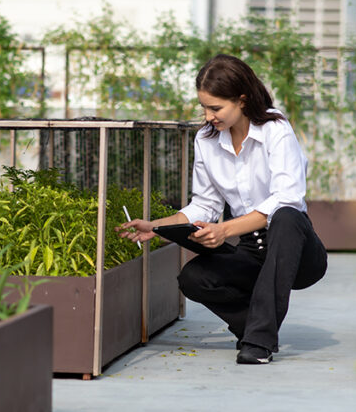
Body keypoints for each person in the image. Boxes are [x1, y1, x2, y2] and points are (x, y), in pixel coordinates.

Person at [119, 53, 327, 364]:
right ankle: (256, 328)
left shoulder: (276, 129)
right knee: (194, 279)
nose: (208, 116)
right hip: (252, 249)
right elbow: (204, 203)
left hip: (296, 250)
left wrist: (224, 229)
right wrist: (156, 226)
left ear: (242, 100)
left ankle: (259, 341)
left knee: (285, 215)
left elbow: (289, 197)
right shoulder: (206, 139)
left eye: (215, 108)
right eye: (204, 107)